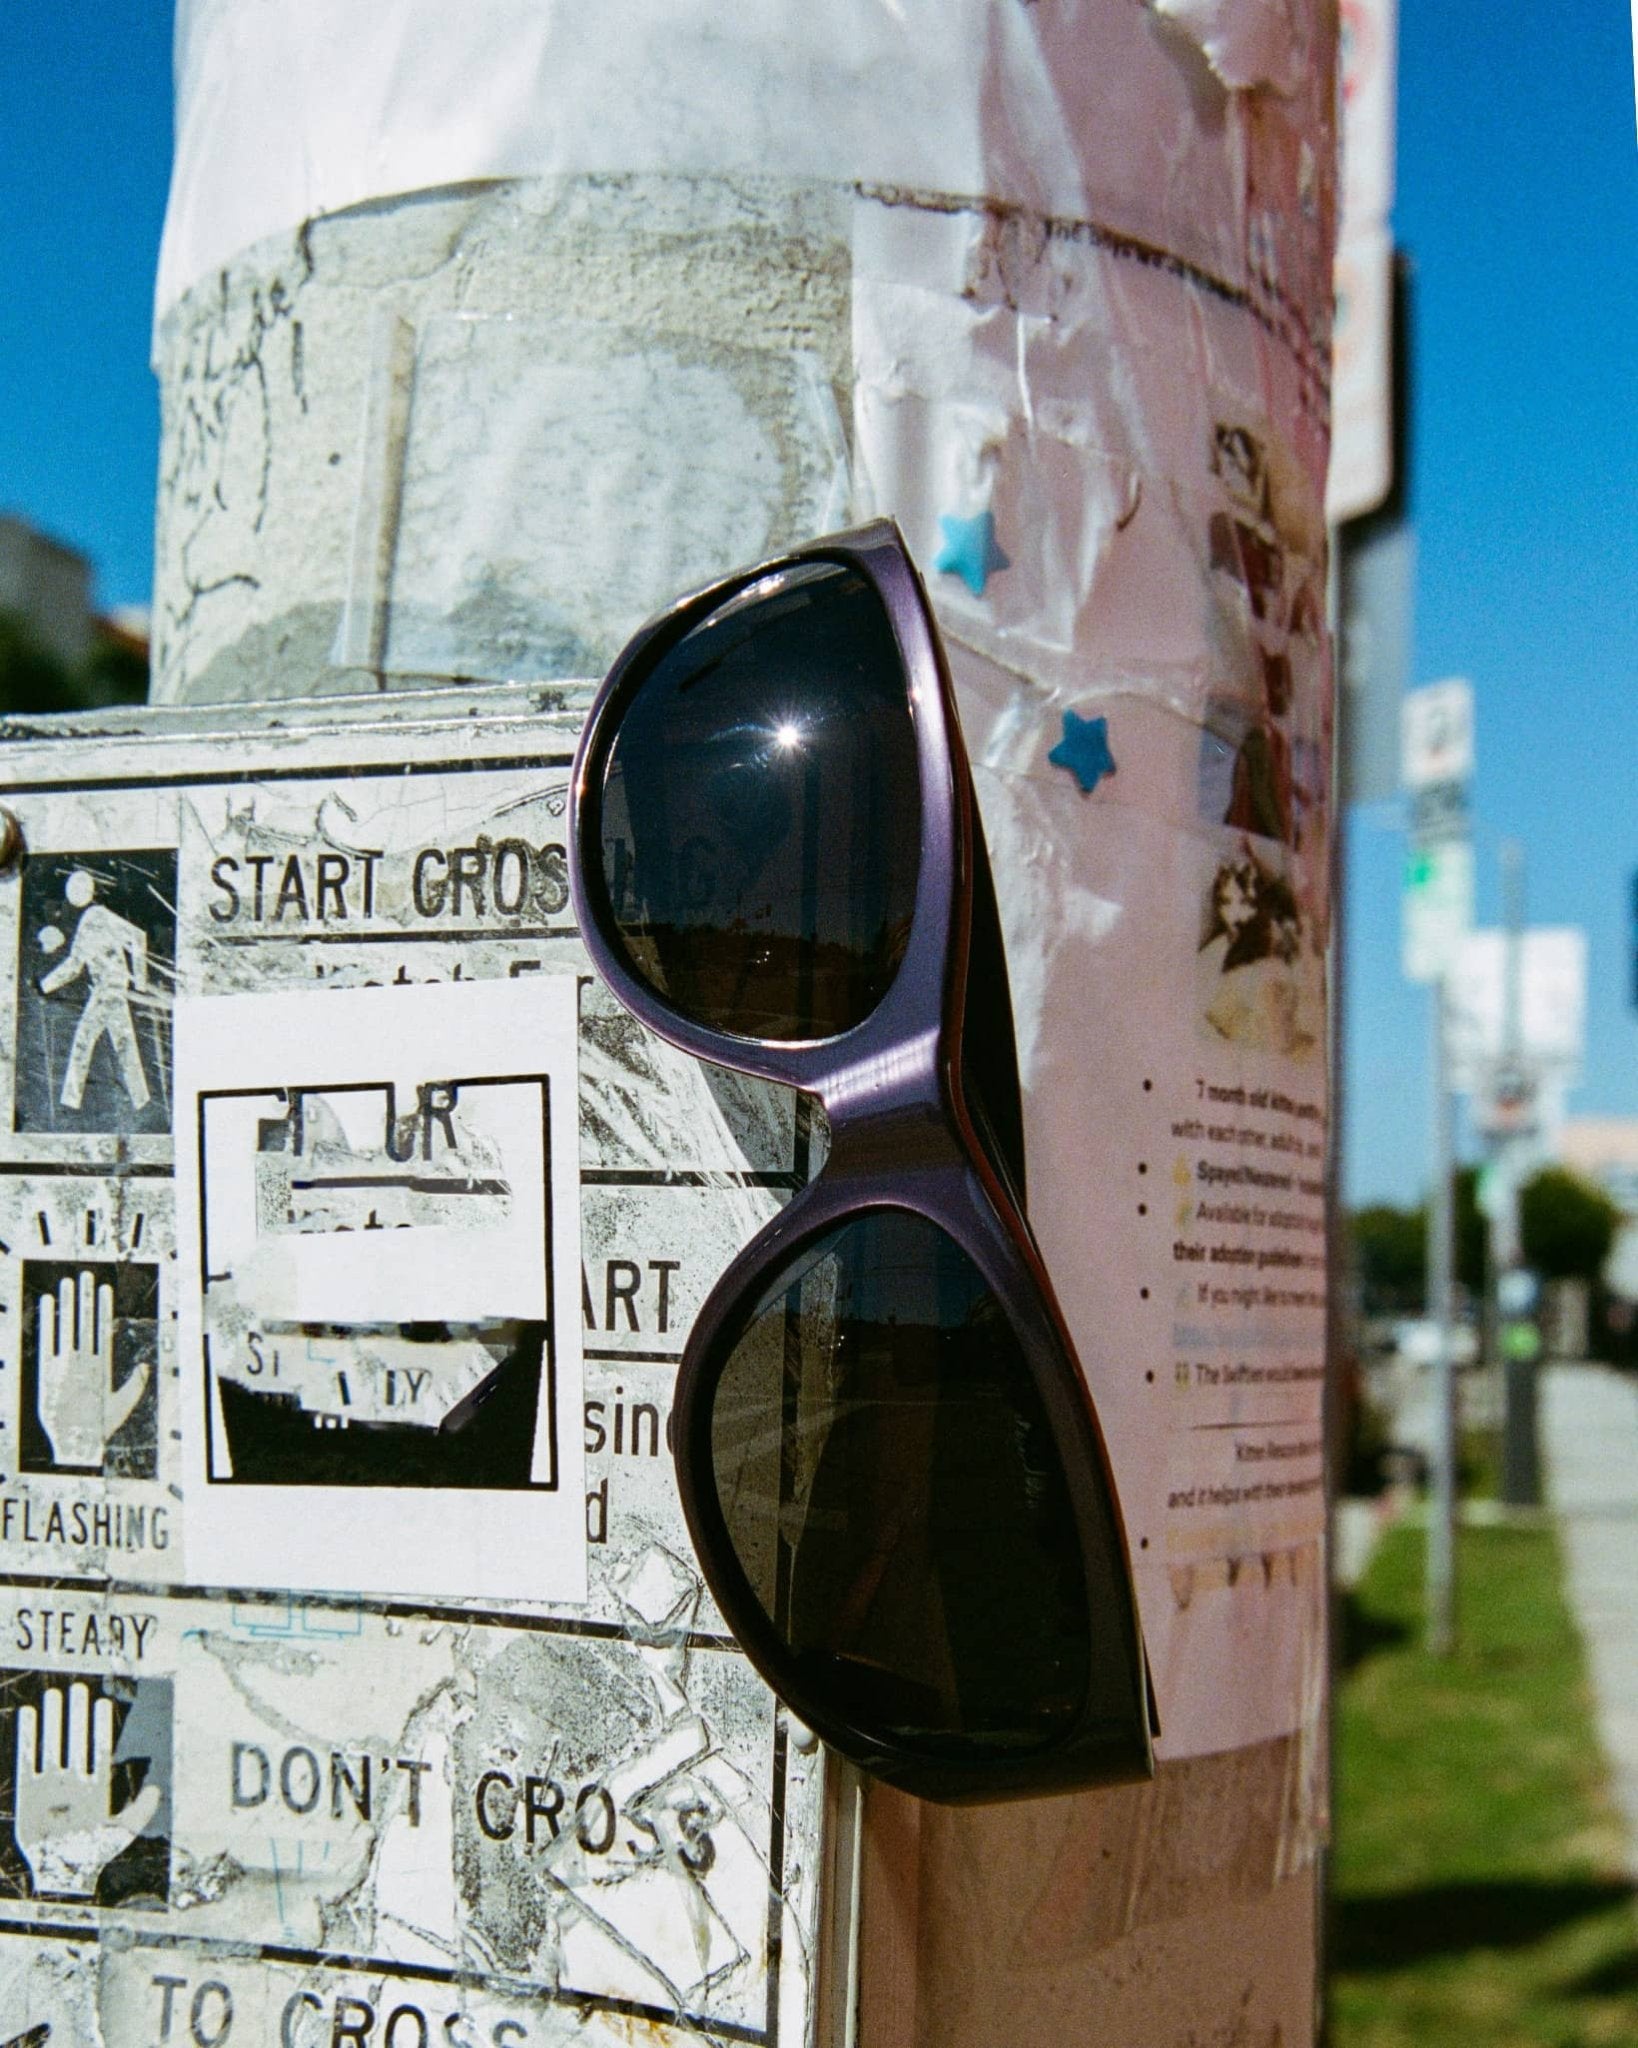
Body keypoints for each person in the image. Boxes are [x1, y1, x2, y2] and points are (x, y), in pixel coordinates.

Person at [39, 871, 151, 1111]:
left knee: (84, 1040)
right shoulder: (86, 923)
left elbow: (138, 937)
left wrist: (139, 982)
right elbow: (75, 965)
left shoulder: (97, 915)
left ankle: (70, 1101)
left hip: (109, 989)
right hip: (109, 989)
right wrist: (45, 985)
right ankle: (141, 1100)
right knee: (123, 1044)